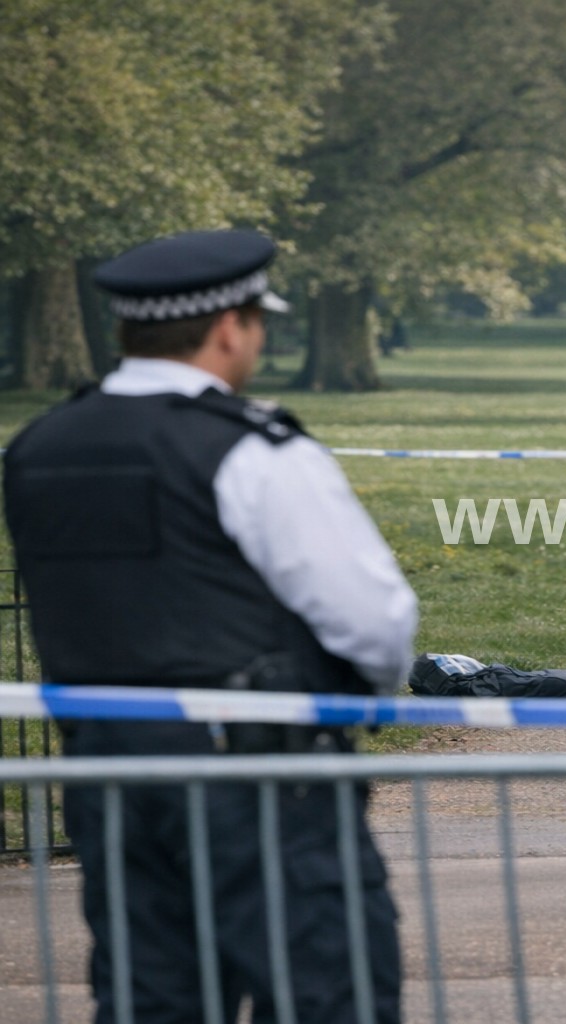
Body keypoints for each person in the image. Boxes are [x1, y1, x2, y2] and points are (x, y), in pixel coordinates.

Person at [3, 229, 417, 1023]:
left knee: (152, 999)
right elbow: (375, 622)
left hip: (108, 774)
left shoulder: (38, 448)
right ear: (231, 326)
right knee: (333, 993)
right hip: (257, 777)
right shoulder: (252, 450)